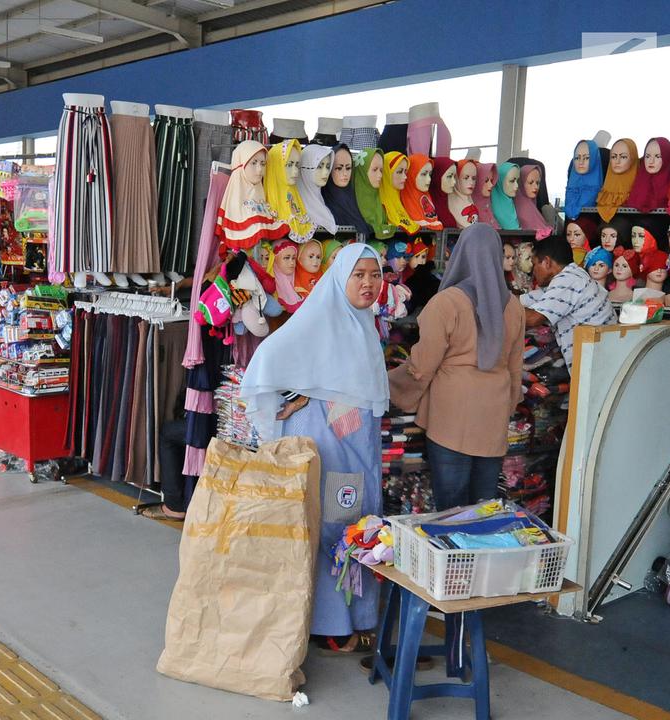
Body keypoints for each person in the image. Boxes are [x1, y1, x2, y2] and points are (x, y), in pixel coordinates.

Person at [240, 243, 388, 656]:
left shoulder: (362, 323)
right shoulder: (321, 318)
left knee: (358, 526)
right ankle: (329, 623)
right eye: (358, 275)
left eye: (374, 274)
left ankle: (358, 619)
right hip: (332, 448)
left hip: (359, 449)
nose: (368, 284)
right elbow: (268, 360)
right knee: (332, 529)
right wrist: (297, 391)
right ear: (341, 278)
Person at [389, 224, 526, 509]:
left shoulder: (445, 303)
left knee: (451, 507)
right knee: (485, 504)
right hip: (493, 414)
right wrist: (508, 406)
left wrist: (389, 383)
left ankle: (453, 553)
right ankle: (481, 553)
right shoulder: (514, 306)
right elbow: (516, 368)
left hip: (451, 416)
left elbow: (423, 365)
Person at [521, 235, 616, 370]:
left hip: (596, 367)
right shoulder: (575, 275)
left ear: (547, 262)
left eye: (535, 263)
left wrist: (495, 307)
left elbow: (532, 319)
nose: (532, 270)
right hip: (602, 361)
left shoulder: (568, 280)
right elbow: (531, 299)